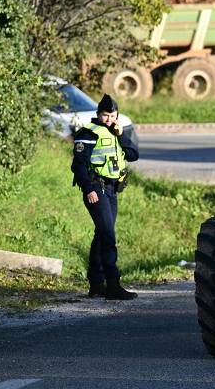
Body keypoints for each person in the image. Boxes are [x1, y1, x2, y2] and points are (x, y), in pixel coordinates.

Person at [71, 94, 139, 300]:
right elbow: (78, 165)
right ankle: (112, 284)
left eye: (112, 115)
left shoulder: (115, 132)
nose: (108, 119)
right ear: (98, 114)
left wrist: (120, 135)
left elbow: (133, 155)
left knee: (102, 235)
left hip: (111, 190)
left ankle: (96, 284)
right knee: (108, 235)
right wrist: (89, 189)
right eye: (104, 115)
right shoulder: (88, 133)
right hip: (96, 188)